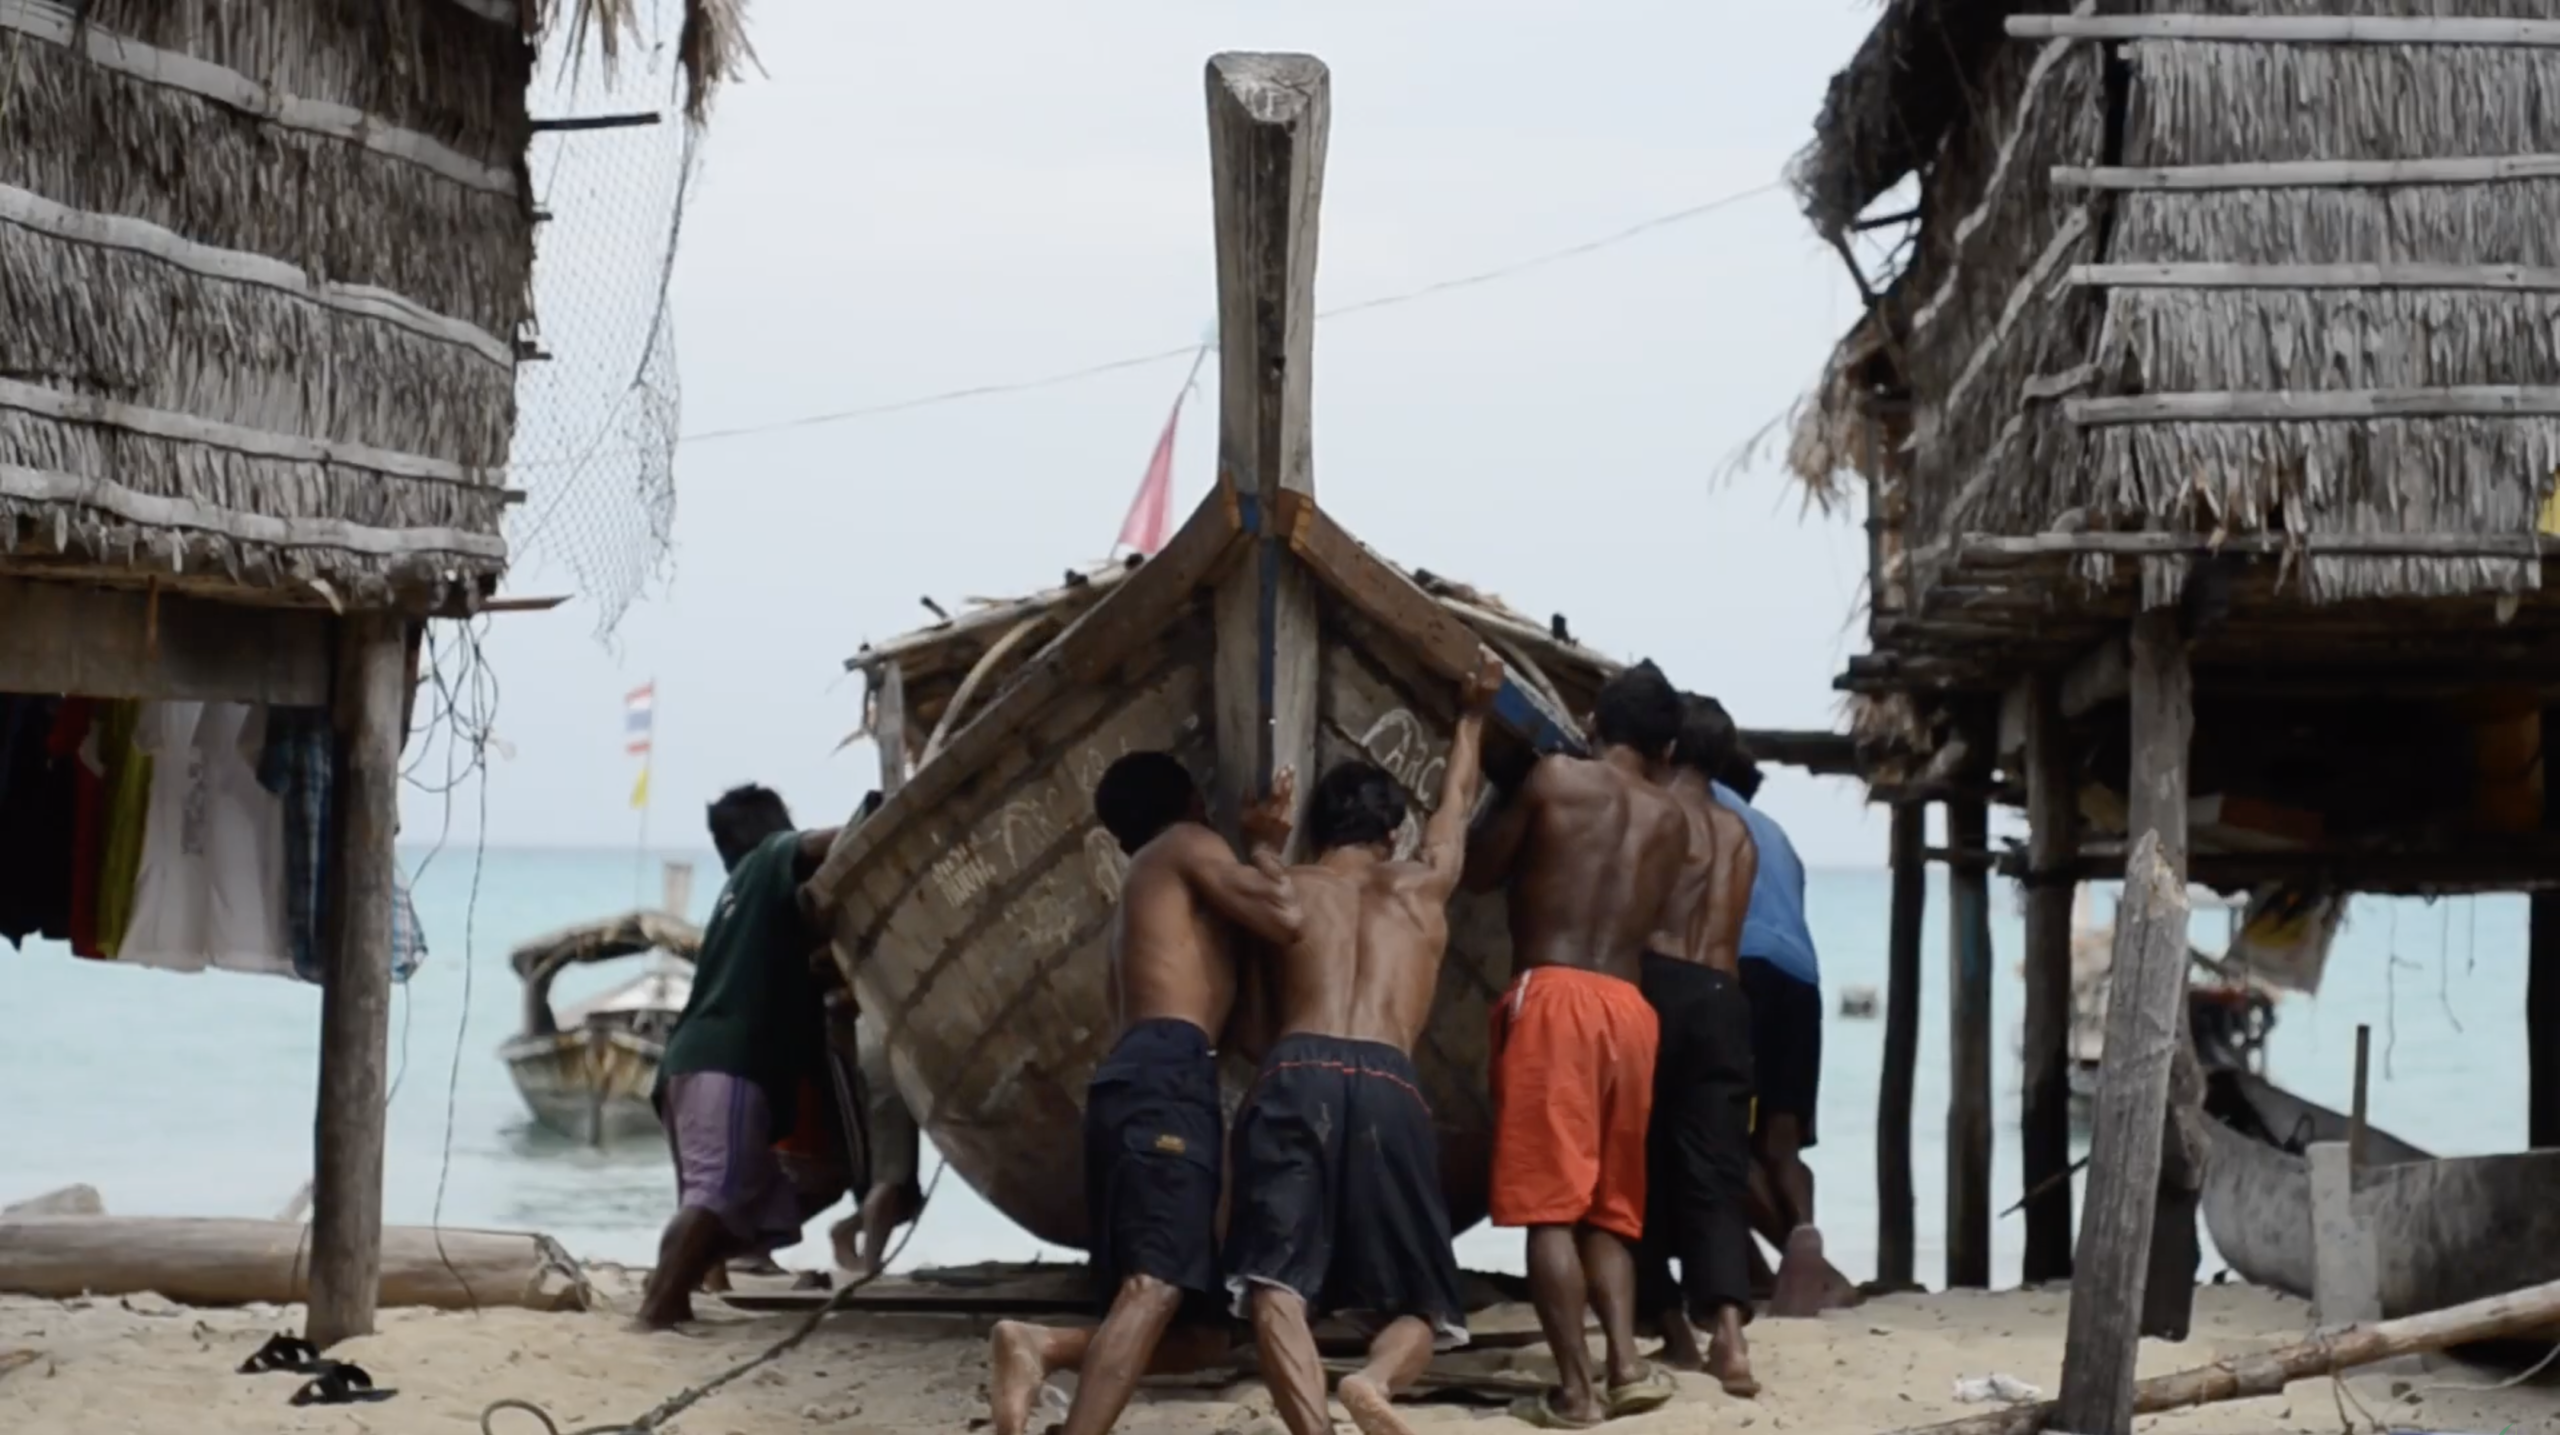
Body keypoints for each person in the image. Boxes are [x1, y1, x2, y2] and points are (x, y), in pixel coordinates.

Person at [1224, 653, 1501, 1435]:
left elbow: (1255, 952)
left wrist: (1261, 844)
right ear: (1392, 832)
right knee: (1425, 1299)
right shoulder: (1424, 883)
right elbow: (1456, 805)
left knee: (1273, 1279)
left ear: (1319, 827)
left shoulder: (1292, 888)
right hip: (1388, 1078)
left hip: (1297, 1065)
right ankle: (1374, 1380)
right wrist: (1472, 715)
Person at [987, 753, 1302, 1435]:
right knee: (1155, 1285)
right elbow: (1284, 915)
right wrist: (1268, 847)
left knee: (1203, 1335)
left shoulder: (1145, 890)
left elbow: (1244, 1027)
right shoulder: (1189, 843)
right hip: (1166, 1076)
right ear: (1193, 799)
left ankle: (1040, 1345)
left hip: (1142, 1079)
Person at [1464, 660, 1690, 1429]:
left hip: (1554, 993)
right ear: (1664, 751)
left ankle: (1576, 1392)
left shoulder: (1556, 779)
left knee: (1549, 1210)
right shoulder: (1673, 819)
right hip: (1630, 1009)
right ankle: (1625, 1365)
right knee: (1608, 1210)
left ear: (1595, 724)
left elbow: (1478, 871)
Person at [637, 784, 841, 1329]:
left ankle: (673, 1295)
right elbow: (828, 843)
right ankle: (657, 1306)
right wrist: (882, 818)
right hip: (726, 1064)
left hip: (694, 1064)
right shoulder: (768, 859)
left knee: (748, 1200)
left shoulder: (739, 896)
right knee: (714, 1198)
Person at [1634, 695, 1760, 1395]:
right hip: (1725, 996)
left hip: (1658, 984)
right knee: (1716, 1172)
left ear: (1671, 749)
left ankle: (1670, 1324)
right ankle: (1731, 1338)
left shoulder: (1656, 815)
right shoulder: (1739, 832)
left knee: (1641, 1161)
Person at [1709, 738, 1847, 1317]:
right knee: (1781, 1143)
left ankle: (1780, 1268)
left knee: (1712, 1135)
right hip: (1802, 978)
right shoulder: (1779, 836)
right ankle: (1807, 1254)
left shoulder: (1702, 798)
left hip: (1743, 967)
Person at [835, 1007, 924, 1280]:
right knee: (893, 1177)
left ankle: (852, 1234)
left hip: (864, 1045)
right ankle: (870, 1264)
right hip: (886, 1047)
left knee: (892, 1180)